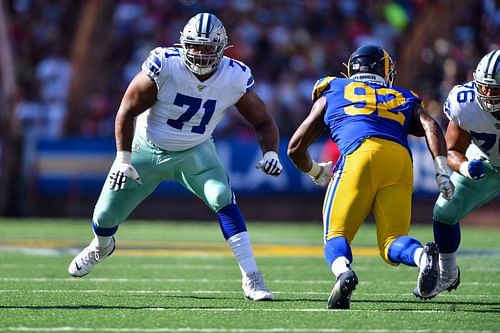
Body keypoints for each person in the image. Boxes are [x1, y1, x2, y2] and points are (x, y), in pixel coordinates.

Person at [68, 13, 283, 301]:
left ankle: (252, 277)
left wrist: (271, 152)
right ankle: (101, 246)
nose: (200, 53)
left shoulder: (234, 76)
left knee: (222, 196)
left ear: (221, 48)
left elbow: (264, 121)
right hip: (147, 148)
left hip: (195, 152)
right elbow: (126, 111)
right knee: (104, 216)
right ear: (184, 44)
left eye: (208, 48)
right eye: (195, 46)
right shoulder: (164, 66)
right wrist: (123, 157)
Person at [287, 44, 455, 309]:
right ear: (386, 70)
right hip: (399, 160)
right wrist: (441, 168)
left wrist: (315, 171)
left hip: (359, 154)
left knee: (335, 235)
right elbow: (431, 125)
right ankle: (423, 257)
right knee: (392, 242)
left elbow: (295, 147)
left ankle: (343, 272)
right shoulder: (401, 94)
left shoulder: (334, 88)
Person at [425, 50, 500, 299]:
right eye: (484, 87)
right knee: (444, 211)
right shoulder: (465, 102)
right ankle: (448, 273)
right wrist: (466, 166)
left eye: (494, 88)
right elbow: (453, 149)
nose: (487, 95)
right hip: (487, 163)